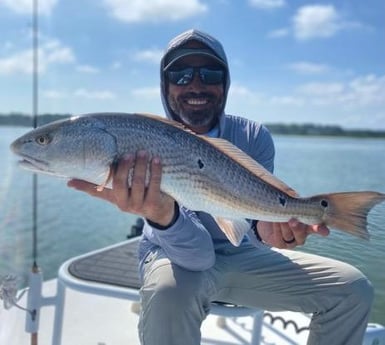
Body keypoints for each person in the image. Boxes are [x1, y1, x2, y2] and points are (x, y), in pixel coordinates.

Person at [68, 29, 373, 345]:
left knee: (353, 290)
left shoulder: (253, 135)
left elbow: (249, 217)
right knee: (169, 293)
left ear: (225, 83)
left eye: (210, 73)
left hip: (243, 255)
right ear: (165, 85)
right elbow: (196, 257)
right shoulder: (150, 141)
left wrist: (266, 229)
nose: (196, 84)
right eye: (181, 75)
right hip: (173, 252)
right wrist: (162, 214)